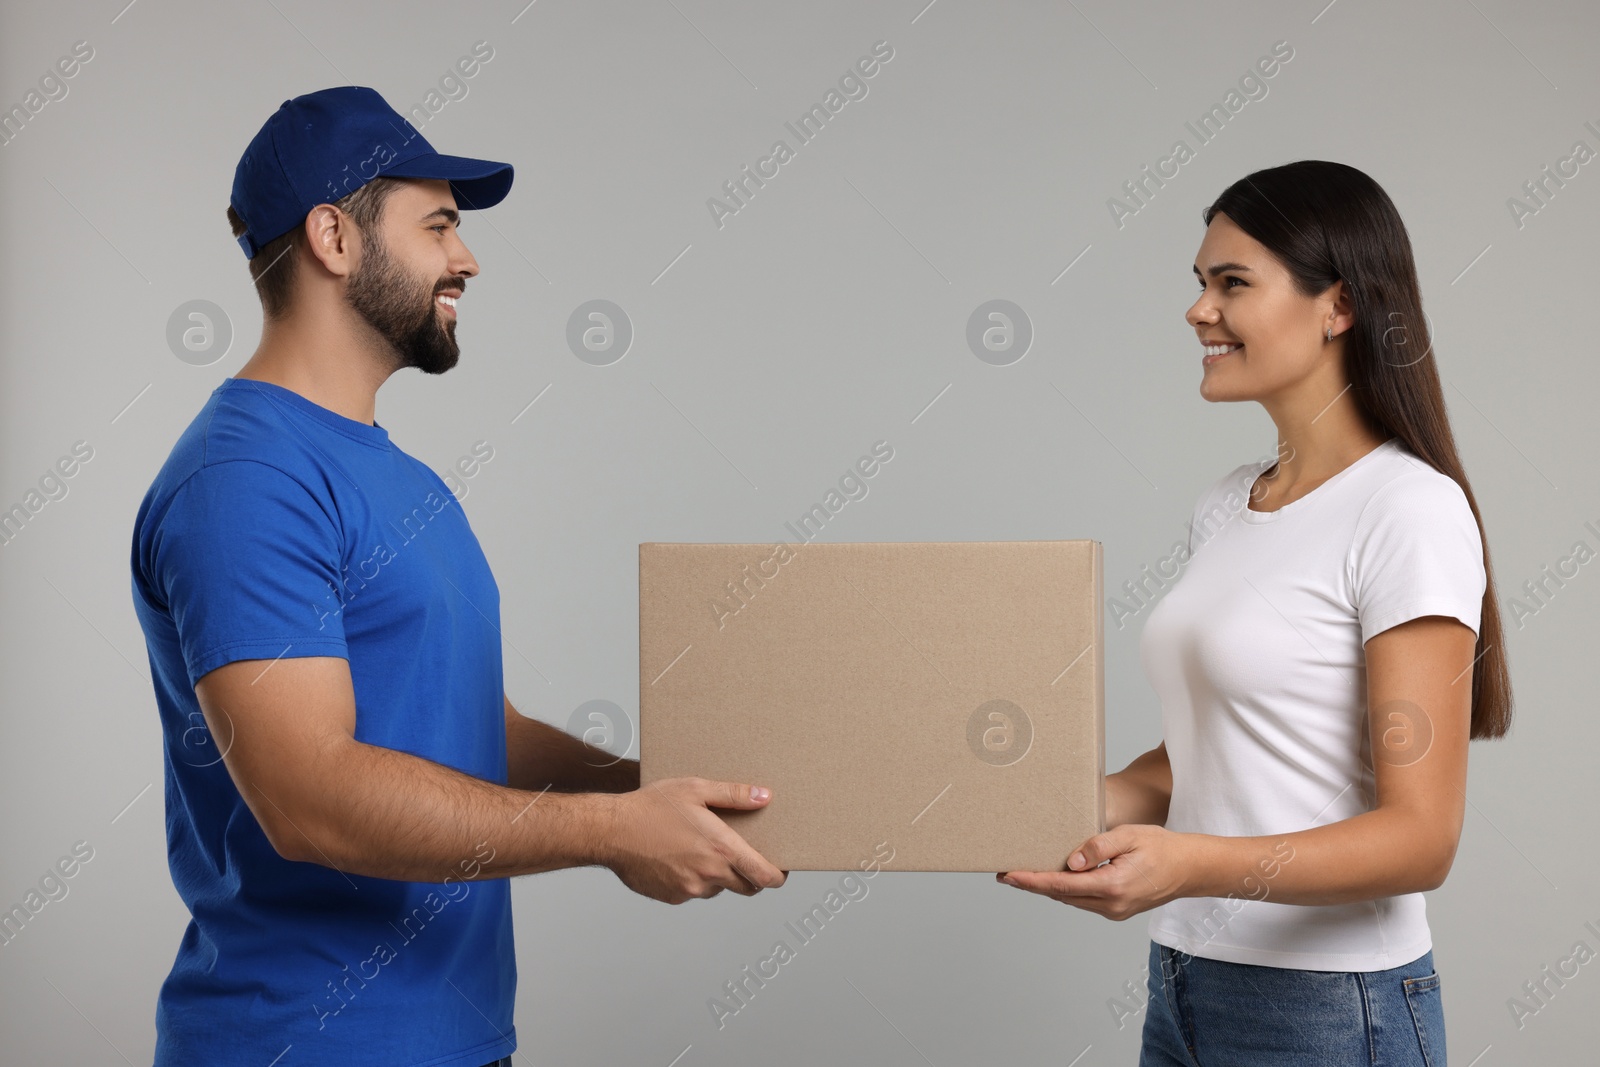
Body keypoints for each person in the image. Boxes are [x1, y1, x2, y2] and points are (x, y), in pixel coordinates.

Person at [129, 85, 785, 1067]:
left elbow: (475, 724)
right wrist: (612, 829)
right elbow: (308, 792)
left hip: (457, 1037)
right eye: (438, 225)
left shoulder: (399, 478)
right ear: (333, 239)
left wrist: (657, 787)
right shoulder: (246, 479)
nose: (467, 258)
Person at [997, 160, 1513, 1066]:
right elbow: (1199, 756)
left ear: (1339, 306)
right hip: (1189, 981)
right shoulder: (1228, 504)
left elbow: (1421, 837)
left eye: (1232, 282)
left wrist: (1187, 862)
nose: (1199, 310)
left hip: (1329, 1005)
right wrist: (1050, 807)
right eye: (1200, 284)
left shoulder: (1407, 509)